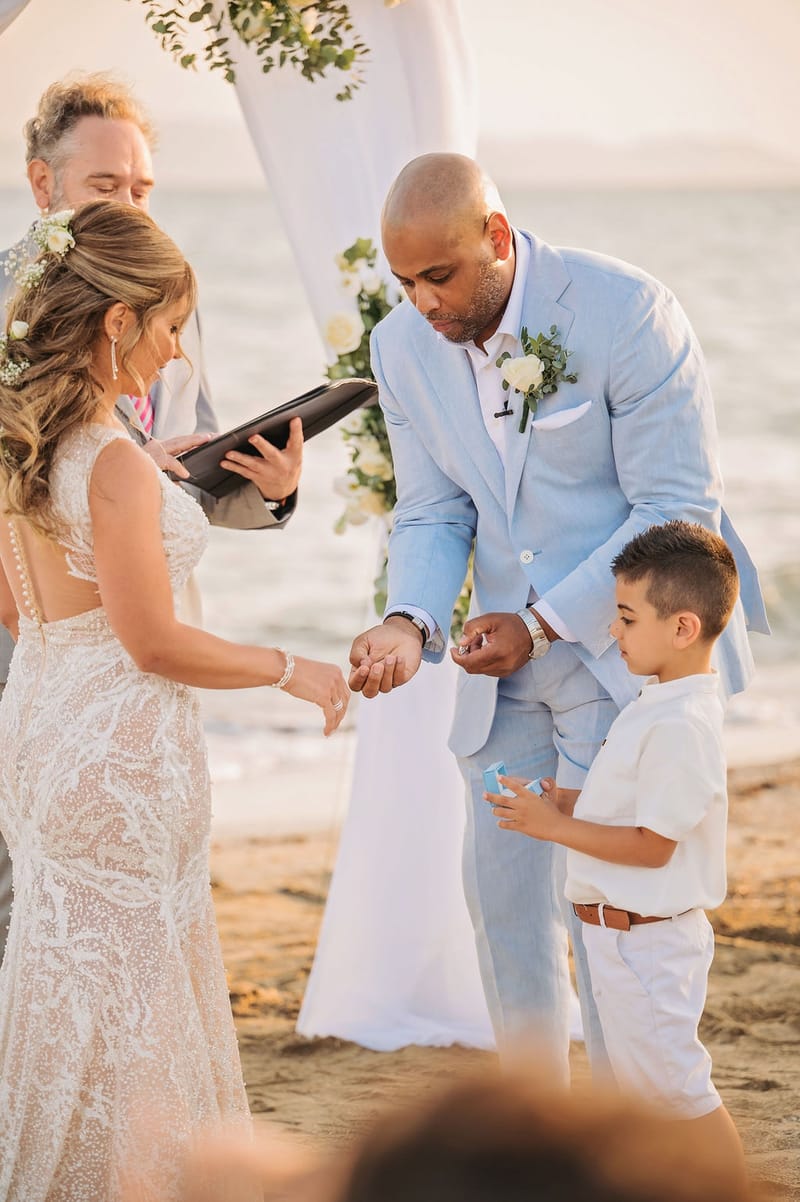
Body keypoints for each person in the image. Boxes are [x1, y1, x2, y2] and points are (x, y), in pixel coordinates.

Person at [347, 153, 768, 1078]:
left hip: (630, 664)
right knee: (502, 911)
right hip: (504, 681)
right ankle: (533, 1130)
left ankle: (623, 1141)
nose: (422, 302)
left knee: (612, 920)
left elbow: (674, 509)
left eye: (440, 277)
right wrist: (408, 621)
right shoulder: (401, 347)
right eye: (404, 281)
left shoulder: (629, 313)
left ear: (496, 238)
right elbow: (431, 508)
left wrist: (539, 622)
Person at [0, 201, 349, 1201]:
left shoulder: (32, 442)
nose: (173, 349)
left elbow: (25, 612)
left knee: (66, 996)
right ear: (118, 323)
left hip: (43, 730)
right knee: (137, 1012)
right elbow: (152, 640)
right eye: (167, 324)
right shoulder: (109, 458)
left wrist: (141, 490)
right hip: (116, 763)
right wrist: (293, 666)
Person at [0, 72, 304, 960]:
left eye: (142, 188)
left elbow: (190, 468)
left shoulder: (164, 301)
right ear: (42, 184)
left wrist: (271, 488)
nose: (132, 203)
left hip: (137, 642)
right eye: (107, 187)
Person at [487, 522, 747, 1181]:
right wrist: (559, 803)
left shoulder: (682, 725)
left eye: (626, 619)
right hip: (618, 939)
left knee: (680, 1094)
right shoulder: (655, 702)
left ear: (683, 627)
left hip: (651, 945)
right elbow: (624, 811)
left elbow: (654, 847)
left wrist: (552, 827)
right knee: (645, 1097)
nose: (613, 633)